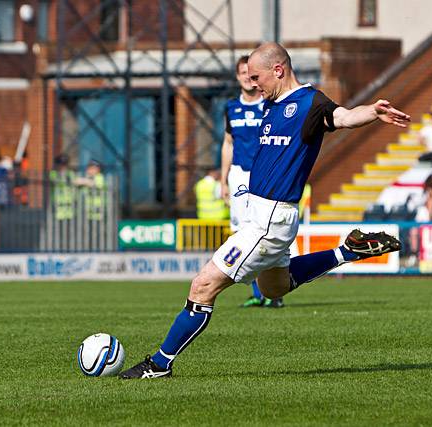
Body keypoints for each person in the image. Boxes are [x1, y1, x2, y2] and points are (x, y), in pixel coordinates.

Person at [119, 42, 408, 379]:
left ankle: (159, 364)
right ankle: (348, 251)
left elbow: (341, 116)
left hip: (269, 220)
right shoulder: (271, 105)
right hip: (264, 216)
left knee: (202, 286)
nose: (253, 84)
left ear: (278, 70)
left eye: (256, 77)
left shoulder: (309, 102)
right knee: (275, 288)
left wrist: (372, 112)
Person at [220, 55, 283, 308]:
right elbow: (228, 143)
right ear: (237, 76)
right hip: (239, 174)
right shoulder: (231, 108)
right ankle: (259, 292)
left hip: (264, 174)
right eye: (242, 73)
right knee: (242, 231)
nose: (247, 77)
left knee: (265, 230)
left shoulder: (269, 104)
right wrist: (224, 180)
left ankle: (273, 293)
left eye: (251, 72)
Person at [50, 154, 76, 220]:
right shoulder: (53, 173)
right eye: (61, 164)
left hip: (69, 207)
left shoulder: (71, 173)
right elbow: (55, 181)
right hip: (58, 206)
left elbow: (74, 181)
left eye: (64, 164)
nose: (63, 167)